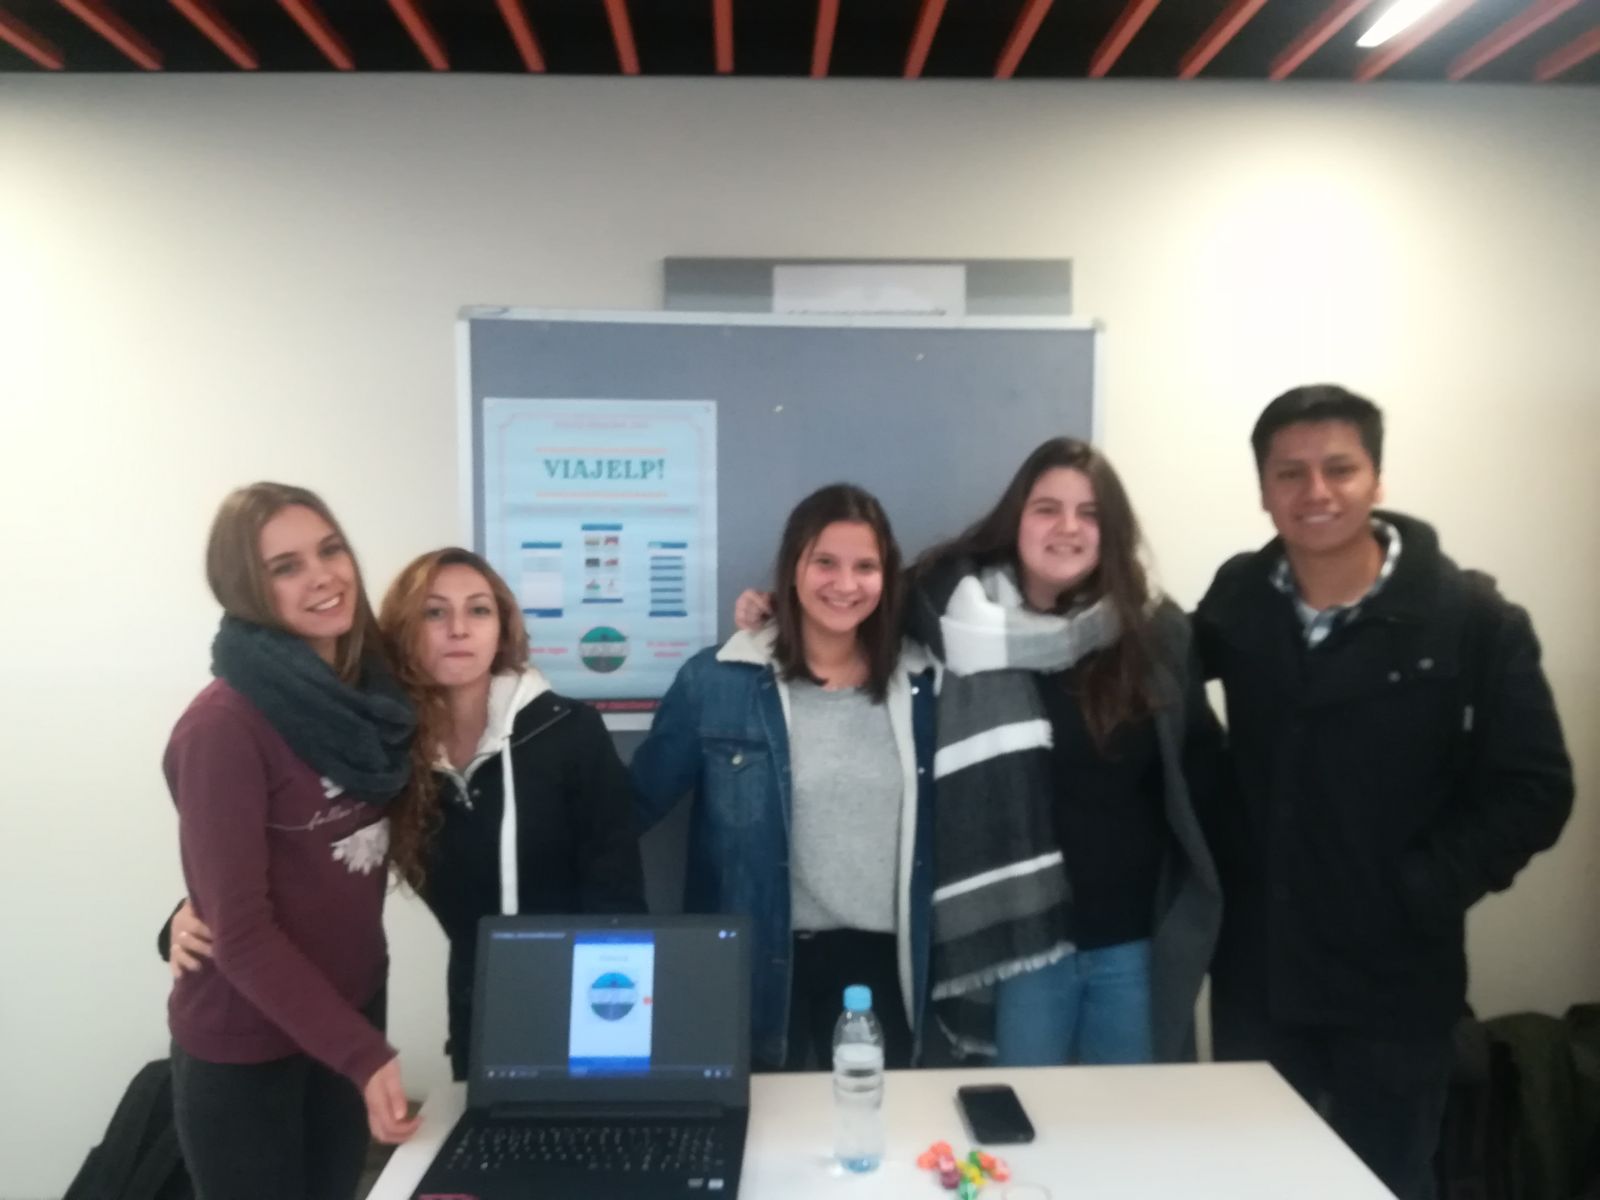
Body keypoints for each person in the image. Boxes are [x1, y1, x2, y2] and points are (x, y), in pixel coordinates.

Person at [1195, 385, 1574, 1200]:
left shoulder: (1470, 618)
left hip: (1395, 981)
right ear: (1264, 491)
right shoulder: (1239, 598)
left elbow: (1536, 788)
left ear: (1377, 479)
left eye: (1339, 468)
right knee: (1254, 1181)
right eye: (1290, 473)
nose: (1316, 492)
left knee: (1386, 1182)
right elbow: (1160, 694)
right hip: (1261, 972)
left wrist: (1422, 887)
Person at [170, 547, 648, 1085]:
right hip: (480, 1008)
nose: (459, 629)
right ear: (404, 630)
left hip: (593, 999)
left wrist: (614, 1022)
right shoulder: (381, 747)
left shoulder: (568, 733)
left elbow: (618, 892)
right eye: (434, 612)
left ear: (502, 630)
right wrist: (191, 911)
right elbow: (310, 846)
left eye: (479, 610)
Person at [903, 438, 1222, 1066]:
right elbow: (842, 621)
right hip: (1020, 947)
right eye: (1047, 508)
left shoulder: (1154, 632)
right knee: (1018, 1117)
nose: (1068, 527)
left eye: (1090, 513)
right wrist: (769, 611)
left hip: (1130, 944)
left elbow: (1200, 772)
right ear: (1015, 519)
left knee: (1125, 1121)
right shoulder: (951, 625)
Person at [163, 482, 419, 1200]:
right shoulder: (223, 727)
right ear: (246, 588)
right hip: (248, 1047)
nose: (323, 576)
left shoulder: (372, 697)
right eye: (286, 567)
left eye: (330, 550)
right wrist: (363, 1054)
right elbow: (239, 930)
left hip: (348, 1012)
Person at [631, 484, 937, 1071]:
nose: (845, 584)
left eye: (865, 566)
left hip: (884, 966)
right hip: (754, 960)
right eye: (825, 562)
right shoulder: (718, 681)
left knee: (870, 1120)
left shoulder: (922, 685)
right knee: (761, 1124)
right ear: (793, 568)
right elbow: (630, 808)